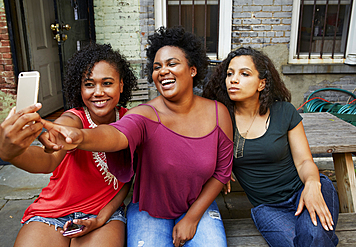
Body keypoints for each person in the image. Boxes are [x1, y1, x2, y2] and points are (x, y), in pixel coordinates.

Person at [40, 26, 234, 247]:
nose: (162, 71)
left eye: (172, 64)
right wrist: (81, 136)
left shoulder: (219, 114)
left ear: (192, 69)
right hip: (149, 208)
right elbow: (115, 134)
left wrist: (192, 217)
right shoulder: (144, 113)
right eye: (157, 67)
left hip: (199, 205)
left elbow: (221, 172)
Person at [0, 43, 138, 247]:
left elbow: (126, 181)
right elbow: (49, 159)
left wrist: (101, 218)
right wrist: (11, 153)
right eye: (89, 84)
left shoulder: (131, 121)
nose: (98, 92)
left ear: (121, 85)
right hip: (52, 212)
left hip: (103, 213)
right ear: (79, 88)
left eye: (107, 83)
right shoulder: (73, 119)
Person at [203, 47, 340, 247]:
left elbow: (304, 161)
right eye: (230, 74)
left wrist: (312, 184)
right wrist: (221, 168)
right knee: (308, 241)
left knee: (312, 237)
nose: (233, 79)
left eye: (244, 74)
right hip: (268, 209)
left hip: (303, 189)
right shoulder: (220, 118)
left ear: (262, 83)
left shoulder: (284, 112)